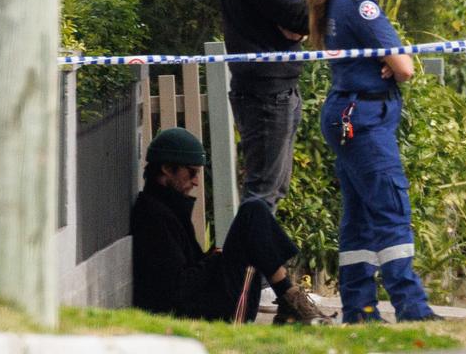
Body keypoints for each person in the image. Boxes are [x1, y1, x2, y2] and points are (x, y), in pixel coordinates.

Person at [306, 0, 440, 323]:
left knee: (360, 219)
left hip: (349, 114)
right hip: (364, 119)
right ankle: (411, 306)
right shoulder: (361, 4)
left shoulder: (334, 1)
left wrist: (386, 62)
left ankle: (359, 308)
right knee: (390, 209)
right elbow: (405, 67)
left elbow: (390, 62)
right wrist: (391, 62)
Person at [130, 127, 328, 324]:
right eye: (191, 173)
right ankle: (290, 299)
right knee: (252, 213)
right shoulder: (154, 216)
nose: (196, 182)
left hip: (206, 302)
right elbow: (177, 289)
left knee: (254, 211)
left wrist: (212, 257)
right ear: (166, 169)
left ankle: (289, 298)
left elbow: (188, 269)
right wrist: (214, 259)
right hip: (205, 313)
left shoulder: (167, 206)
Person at [219, 0, 310, 209]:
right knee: (262, 194)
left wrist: (294, 26)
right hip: (267, 93)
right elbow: (302, 17)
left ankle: (262, 263)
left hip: (269, 89)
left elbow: (294, 21)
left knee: (271, 191)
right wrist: (297, 25)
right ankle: (244, 263)